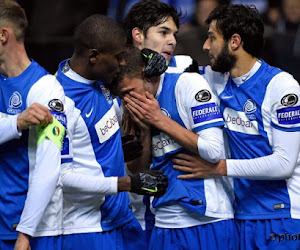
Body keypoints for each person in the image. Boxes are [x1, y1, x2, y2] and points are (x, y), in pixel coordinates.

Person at [172, 4, 300, 249]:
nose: (205, 46)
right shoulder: (214, 79)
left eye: (211, 37)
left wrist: (218, 167)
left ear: (235, 41)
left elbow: (284, 164)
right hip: (240, 217)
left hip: (282, 218)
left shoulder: (282, 87)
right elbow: (173, 70)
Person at [55, 14, 168, 250]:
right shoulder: (59, 100)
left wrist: (147, 58)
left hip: (122, 221)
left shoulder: (102, 79)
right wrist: (128, 183)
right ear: (94, 56)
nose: (121, 64)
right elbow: (61, 178)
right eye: (117, 58)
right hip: (86, 229)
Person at [110, 45, 237, 250]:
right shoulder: (131, 107)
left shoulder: (187, 84)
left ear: (146, 75)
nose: (128, 101)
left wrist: (158, 120)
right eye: (122, 97)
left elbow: (214, 151)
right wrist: (144, 132)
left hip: (207, 218)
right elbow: (140, 171)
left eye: (129, 92)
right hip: (164, 221)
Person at [0, 0, 67, 249]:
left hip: (32, 231)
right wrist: (18, 121)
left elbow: (49, 168)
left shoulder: (47, 88)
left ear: (2, 35)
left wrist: (25, 233)